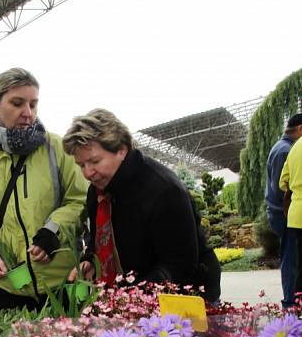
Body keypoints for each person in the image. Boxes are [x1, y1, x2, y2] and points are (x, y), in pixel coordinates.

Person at [0, 67, 88, 310]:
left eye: (33, 104)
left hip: (65, 283)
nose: (28, 113)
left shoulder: (56, 148)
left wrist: (53, 231)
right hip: (11, 288)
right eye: (17, 103)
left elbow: (80, 200)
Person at [62, 108, 221, 301]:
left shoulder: (164, 189)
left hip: (184, 295)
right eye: (81, 165)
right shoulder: (97, 190)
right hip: (129, 294)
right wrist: (89, 260)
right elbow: (97, 238)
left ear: (121, 149)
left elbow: (179, 265)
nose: (87, 173)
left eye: (94, 161)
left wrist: (131, 297)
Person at [265, 113, 302, 308]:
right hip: (284, 213)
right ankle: (290, 303)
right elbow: (282, 188)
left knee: (293, 258)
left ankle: (292, 301)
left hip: (283, 211)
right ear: (300, 129)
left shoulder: (284, 148)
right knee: (291, 259)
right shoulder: (286, 150)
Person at [279, 136, 302, 304]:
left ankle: (299, 310)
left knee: (300, 269)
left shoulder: (295, 147)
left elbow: (282, 182)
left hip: (296, 215)